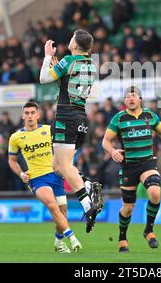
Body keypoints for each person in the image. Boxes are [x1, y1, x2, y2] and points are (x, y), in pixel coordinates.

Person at [102, 86, 161, 252]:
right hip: (128, 166)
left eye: (134, 96)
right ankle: (122, 238)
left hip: (147, 163)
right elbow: (106, 141)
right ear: (124, 101)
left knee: (155, 192)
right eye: (128, 96)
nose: (131, 98)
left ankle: (149, 230)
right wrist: (112, 151)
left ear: (140, 99)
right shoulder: (119, 118)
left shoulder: (150, 116)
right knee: (128, 207)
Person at [39, 29, 101, 233]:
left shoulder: (68, 60)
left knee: (64, 166)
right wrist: (59, 67)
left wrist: (48, 56)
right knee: (57, 166)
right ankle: (88, 185)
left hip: (66, 116)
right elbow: (69, 80)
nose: (69, 41)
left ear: (75, 45)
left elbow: (44, 79)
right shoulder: (91, 64)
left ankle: (86, 204)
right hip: (82, 118)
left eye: (71, 39)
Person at [8, 101, 82, 253]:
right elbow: (12, 161)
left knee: (62, 214)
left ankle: (58, 242)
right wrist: (21, 173)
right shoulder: (16, 137)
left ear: (38, 115)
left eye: (32, 113)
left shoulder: (49, 130)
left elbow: (64, 148)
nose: (29, 116)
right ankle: (72, 238)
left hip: (55, 175)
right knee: (52, 205)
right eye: (26, 113)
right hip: (36, 178)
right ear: (23, 116)